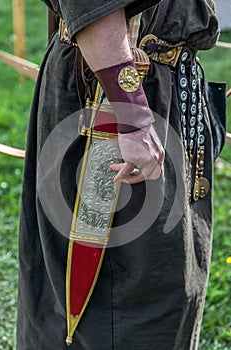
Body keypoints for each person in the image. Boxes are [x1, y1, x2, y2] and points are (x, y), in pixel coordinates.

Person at [17, 0, 220, 349]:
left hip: (155, 88)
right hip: (113, 95)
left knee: (167, 284)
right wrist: (134, 116)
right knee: (114, 301)